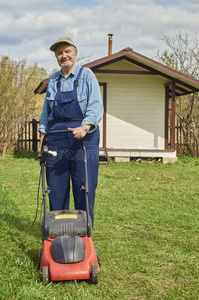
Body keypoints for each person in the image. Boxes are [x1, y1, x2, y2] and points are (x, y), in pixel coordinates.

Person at [38, 37, 103, 227]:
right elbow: (46, 112)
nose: (63, 56)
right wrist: (42, 136)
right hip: (56, 138)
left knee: (84, 185)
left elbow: (96, 107)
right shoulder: (53, 80)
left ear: (75, 53)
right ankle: (58, 230)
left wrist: (85, 127)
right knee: (56, 187)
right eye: (59, 53)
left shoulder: (87, 75)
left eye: (67, 51)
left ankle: (84, 230)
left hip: (83, 138)